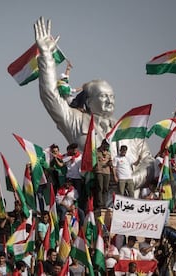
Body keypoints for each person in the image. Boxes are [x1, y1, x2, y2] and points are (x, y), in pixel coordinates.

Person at [33, 17, 155, 190]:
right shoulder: (75, 120)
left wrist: (131, 179)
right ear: (89, 101)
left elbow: (149, 161)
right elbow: (50, 96)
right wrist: (46, 56)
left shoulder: (130, 127)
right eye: (103, 96)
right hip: (92, 197)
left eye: (112, 96)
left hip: (129, 203)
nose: (109, 100)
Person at [95, 139, 112, 208]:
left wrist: (110, 163)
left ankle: (105, 203)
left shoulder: (108, 153)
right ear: (102, 144)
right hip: (99, 171)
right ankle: (100, 203)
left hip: (107, 172)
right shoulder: (96, 151)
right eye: (105, 145)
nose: (106, 147)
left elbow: (111, 161)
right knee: (100, 187)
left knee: (106, 188)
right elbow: (93, 160)